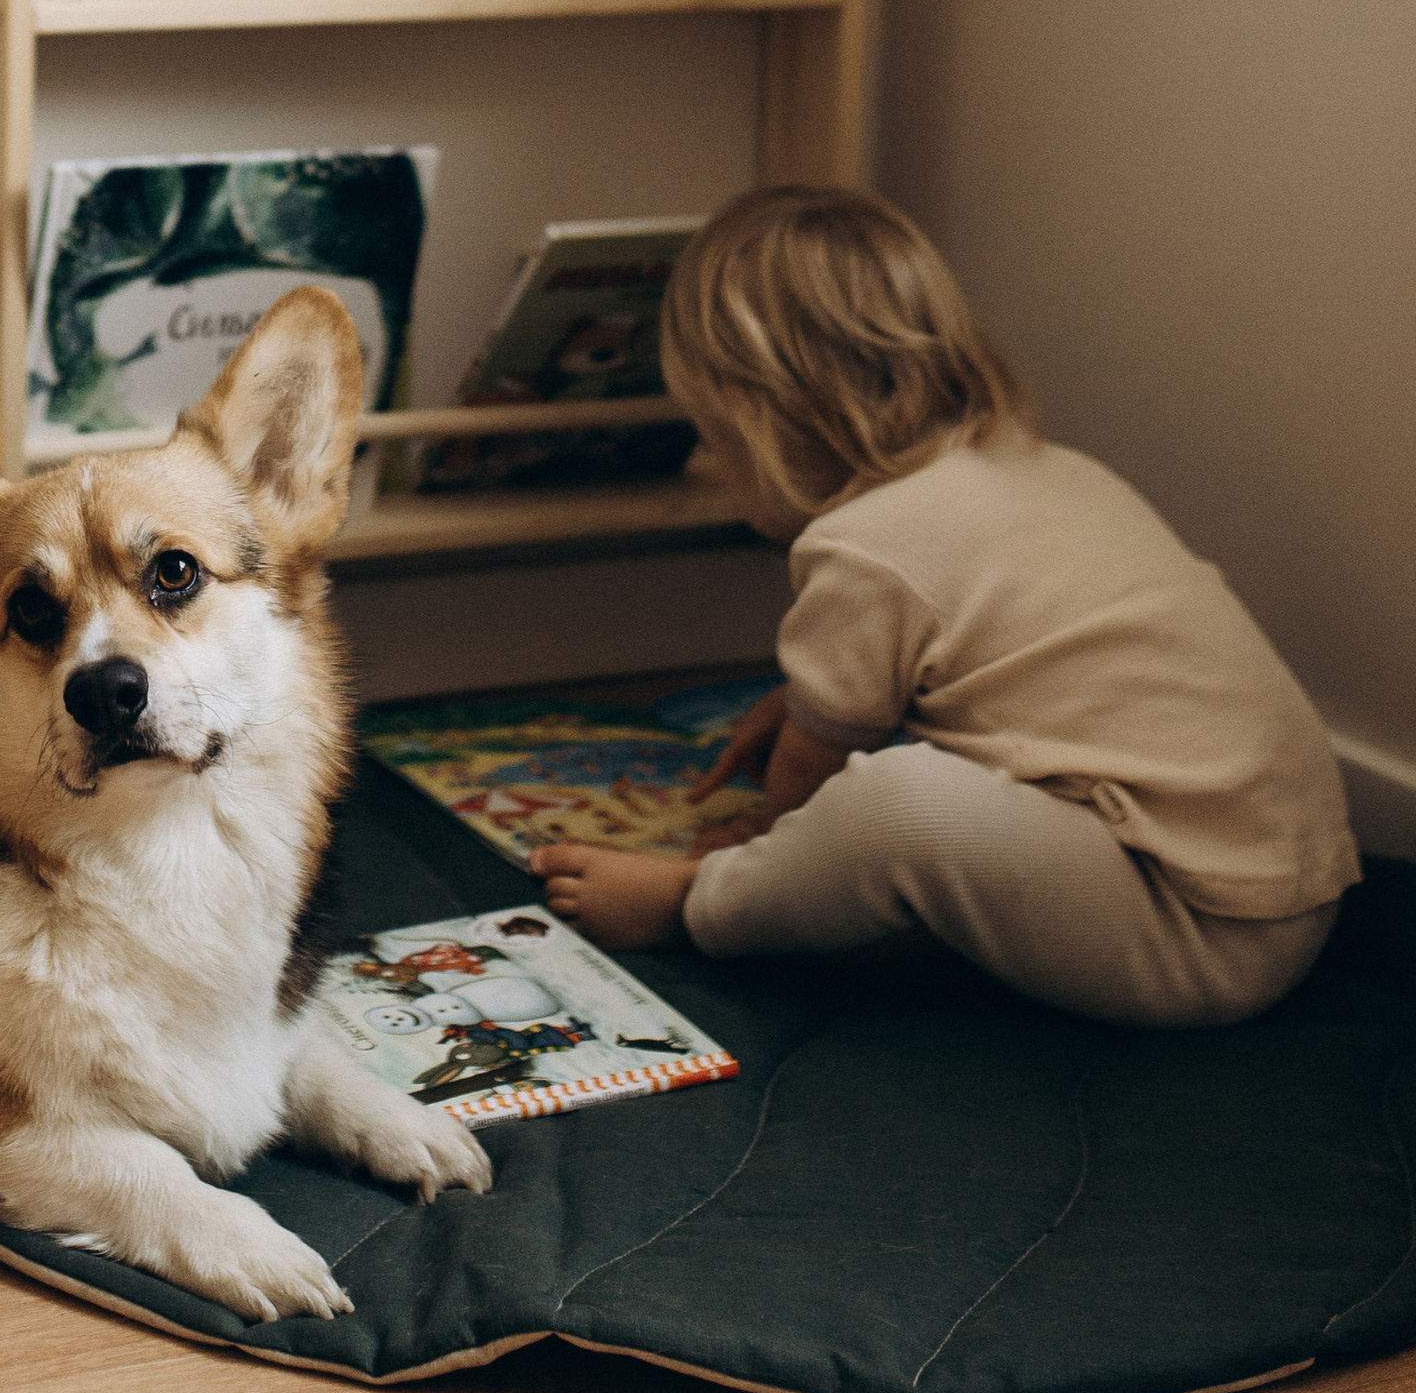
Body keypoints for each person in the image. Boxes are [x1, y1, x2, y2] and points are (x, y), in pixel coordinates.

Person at [533, 186, 1357, 1027]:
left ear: (758, 423)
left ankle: (693, 909)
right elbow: (995, 644)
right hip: (1290, 889)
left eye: (712, 433)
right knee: (926, 805)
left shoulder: (861, 543)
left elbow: (811, 784)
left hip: (1195, 934)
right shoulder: (1046, 465)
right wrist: (800, 703)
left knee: (899, 803)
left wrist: (766, 857)